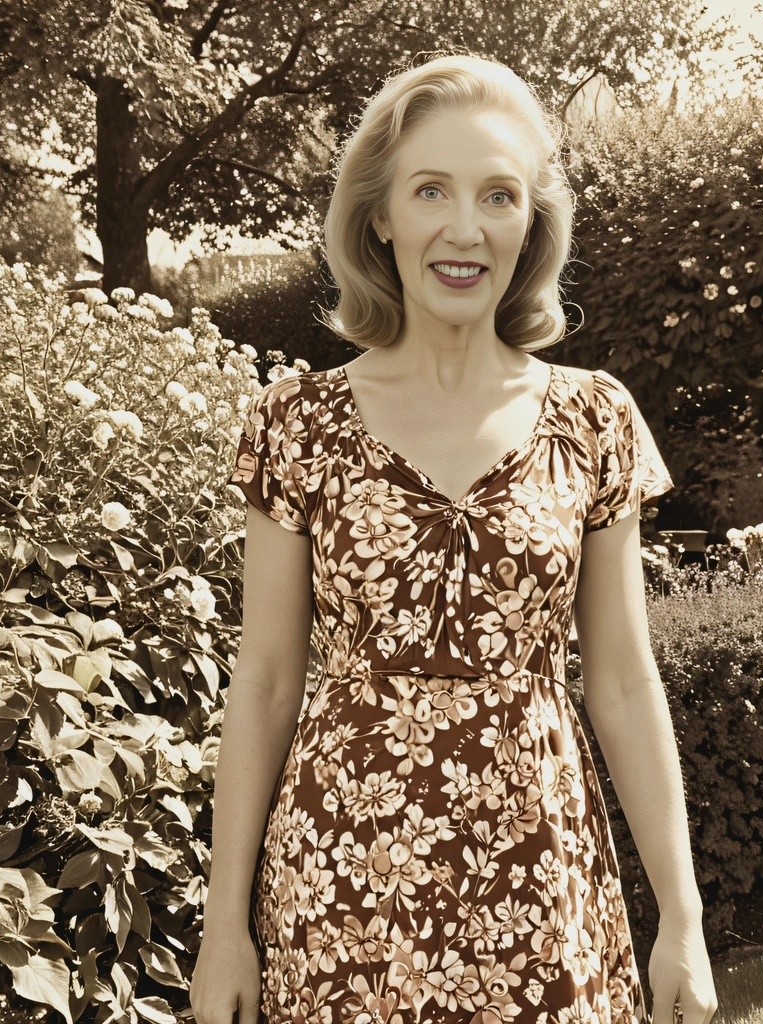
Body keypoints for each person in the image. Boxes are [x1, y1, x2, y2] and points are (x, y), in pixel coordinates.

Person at [191, 53, 718, 1024]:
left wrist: (679, 918)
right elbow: (264, 679)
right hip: (342, 891)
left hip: (539, 885)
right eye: (430, 189)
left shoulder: (592, 419)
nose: (464, 228)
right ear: (381, 215)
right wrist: (226, 926)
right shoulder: (293, 423)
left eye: (499, 195)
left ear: (532, 224)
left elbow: (624, 682)